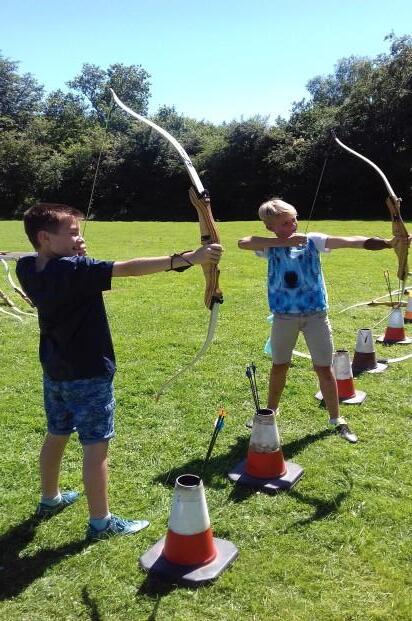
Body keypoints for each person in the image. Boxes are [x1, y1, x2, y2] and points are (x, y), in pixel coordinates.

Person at [16, 201, 222, 540]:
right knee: (96, 447)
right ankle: (101, 522)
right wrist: (189, 258)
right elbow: (129, 268)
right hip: (89, 371)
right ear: (44, 237)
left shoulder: (27, 266)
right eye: (72, 233)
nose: (79, 237)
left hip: (55, 370)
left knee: (57, 433)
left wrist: (76, 254)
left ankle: (50, 498)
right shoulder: (76, 271)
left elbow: (65, 276)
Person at [238, 197, 410, 444]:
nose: (293, 225)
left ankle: (336, 418)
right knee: (279, 366)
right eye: (285, 223)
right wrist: (282, 242)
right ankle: (271, 411)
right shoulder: (268, 246)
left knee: (324, 368)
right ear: (270, 227)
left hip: (315, 316)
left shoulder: (312, 240)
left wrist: (387, 243)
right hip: (284, 317)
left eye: (294, 220)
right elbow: (243, 242)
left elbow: (349, 241)